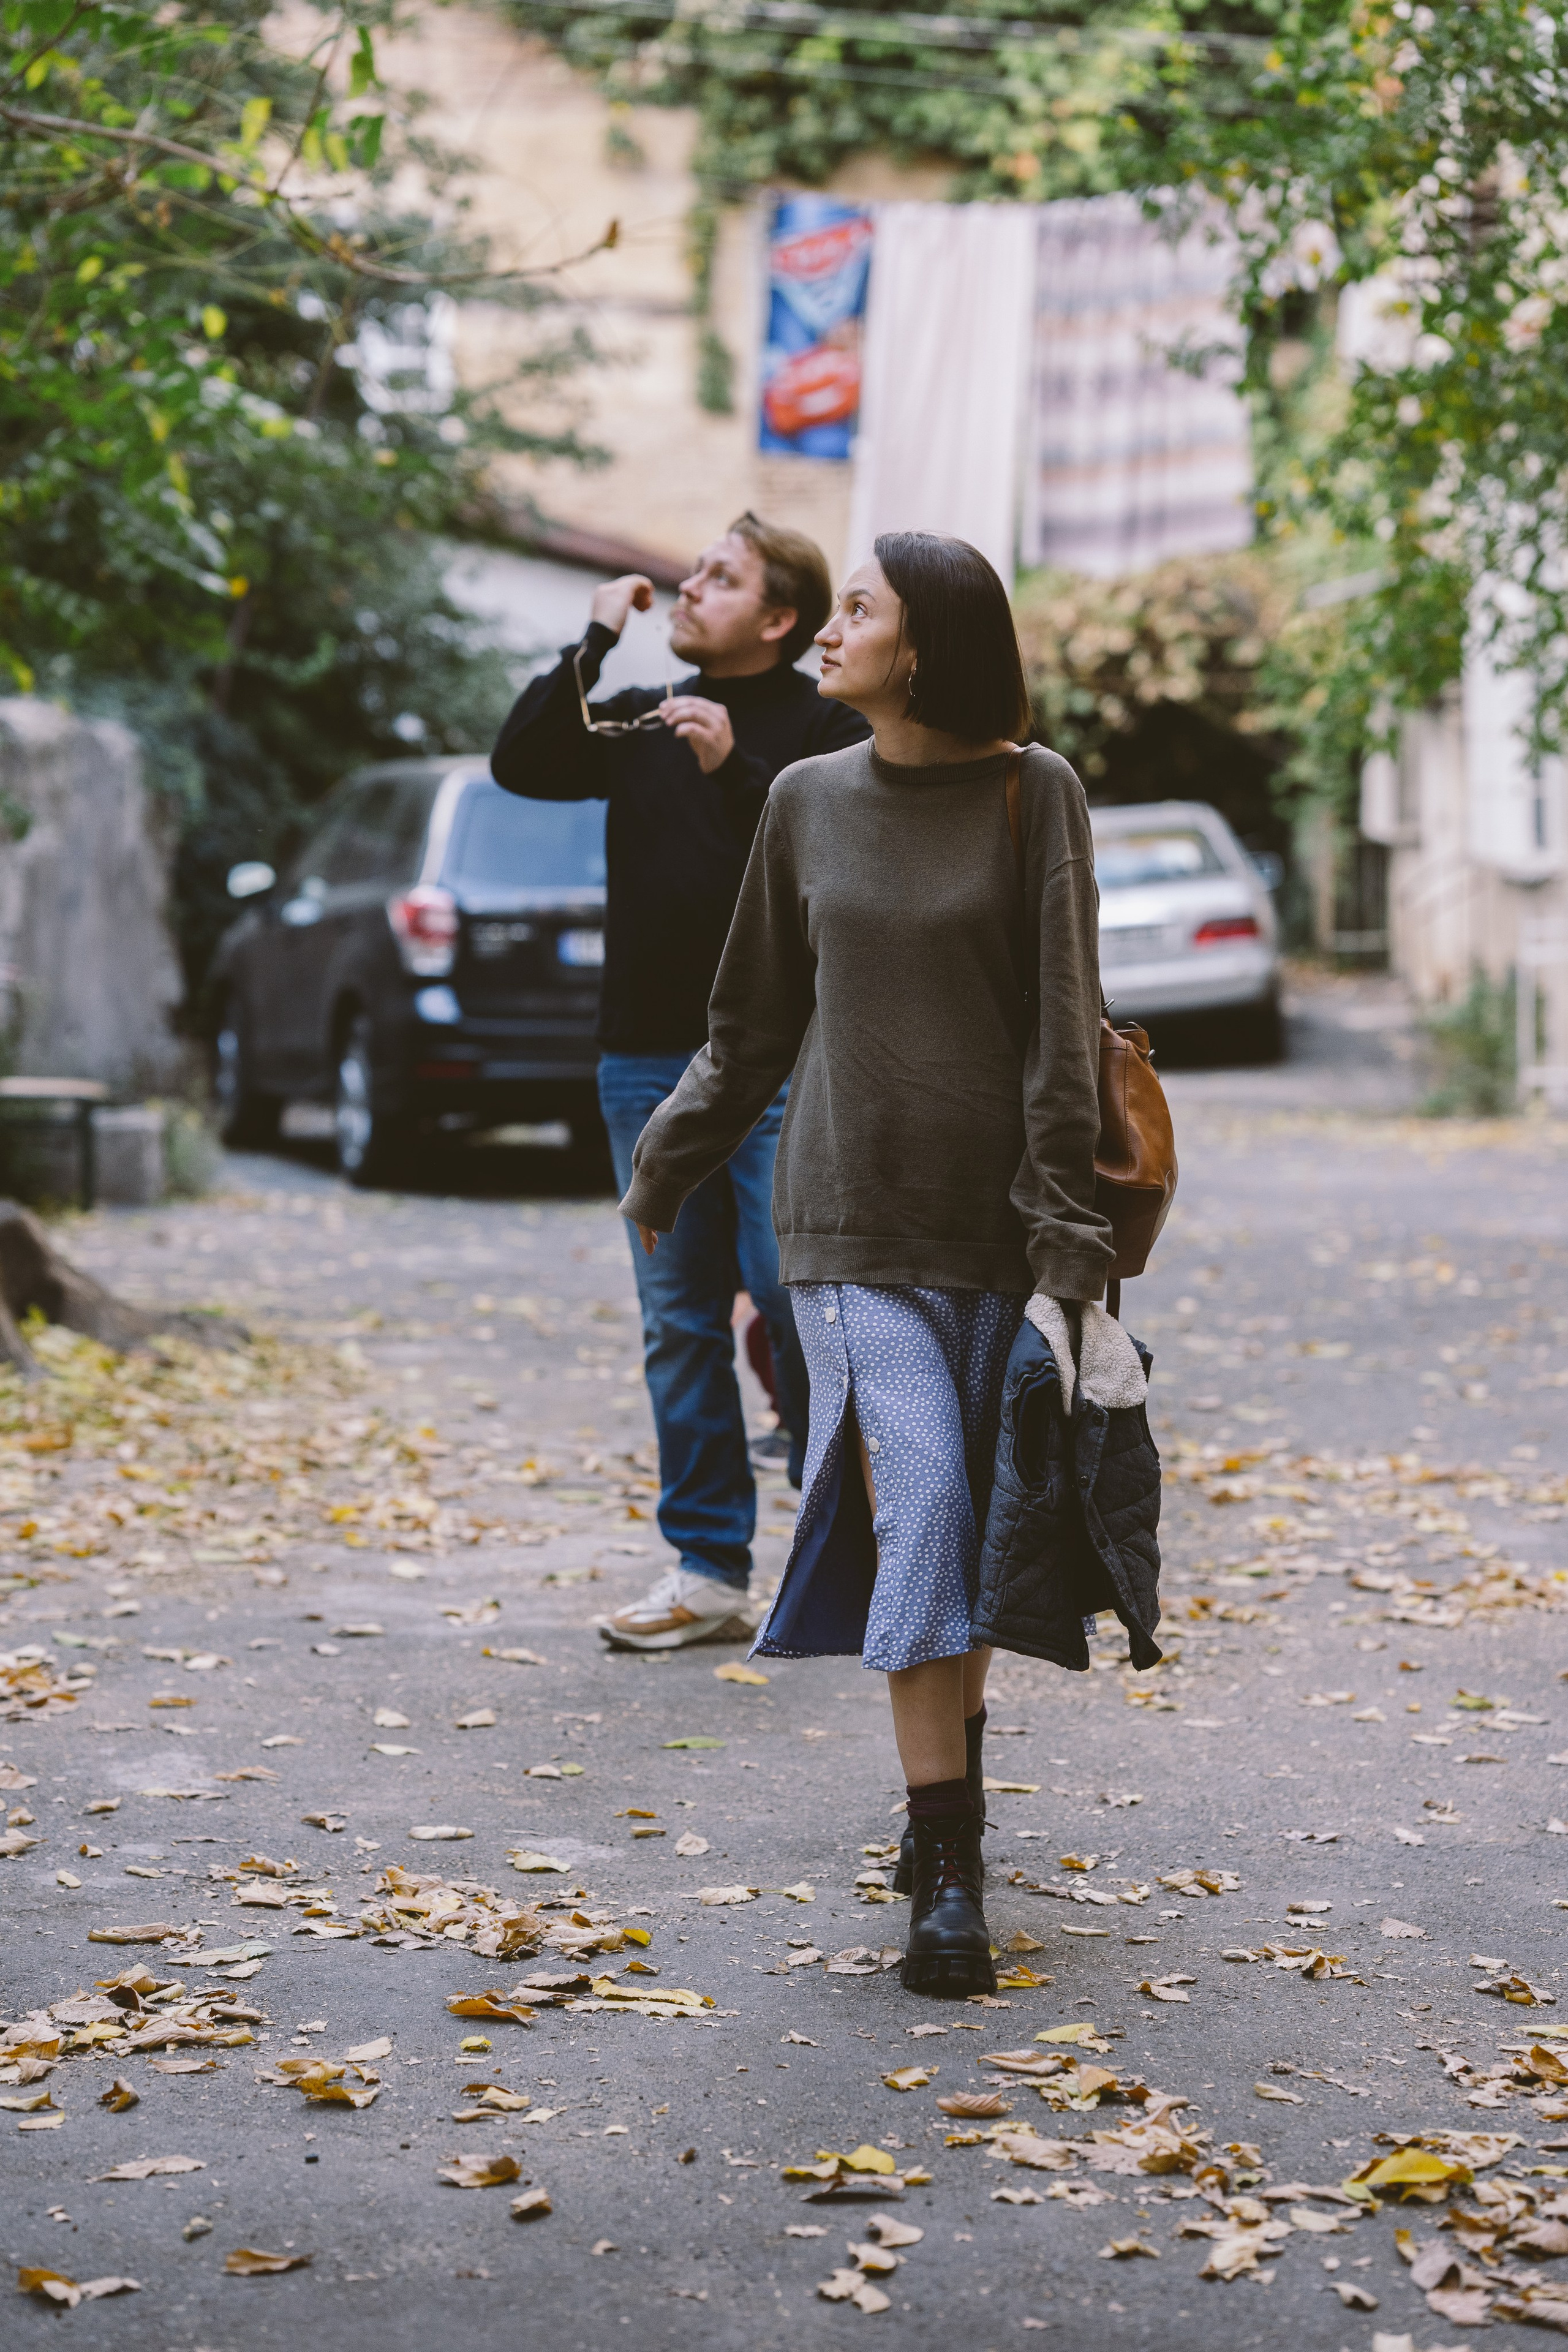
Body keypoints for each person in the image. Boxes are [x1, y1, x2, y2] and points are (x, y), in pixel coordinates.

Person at [616, 532, 1114, 1994]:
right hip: (840, 1229)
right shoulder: (803, 798)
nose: (827, 633)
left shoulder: (1036, 796)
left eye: (856, 611)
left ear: (929, 645)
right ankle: (945, 1870)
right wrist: (669, 1160)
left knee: (957, 1537)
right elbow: (750, 1020)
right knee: (929, 1510)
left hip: (997, 1236)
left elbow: (1061, 1037)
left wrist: (1067, 1254)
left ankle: (942, 1813)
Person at [490, 513, 869, 1651]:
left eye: (721, 577)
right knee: (680, 1322)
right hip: (642, 1061)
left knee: (794, 1301)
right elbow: (526, 762)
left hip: (772, 1063)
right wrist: (592, 643)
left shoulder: (820, 727)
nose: (689, 589)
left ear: (779, 618)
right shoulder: (645, 717)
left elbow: (834, 871)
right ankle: (708, 1570)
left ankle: (835, 1550)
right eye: (693, 571)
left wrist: (735, 771)